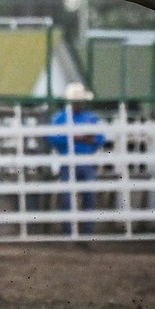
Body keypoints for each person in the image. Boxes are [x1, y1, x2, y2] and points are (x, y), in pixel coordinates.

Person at [48, 82, 106, 235]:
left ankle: (86, 232)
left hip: (85, 162)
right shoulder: (61, 118)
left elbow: (100, 139)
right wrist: (78, 138)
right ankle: (69, 231)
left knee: (88, 197)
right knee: (68, 199)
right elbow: (53, 139)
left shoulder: (87, 118)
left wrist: (76, 138)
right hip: (70, 162)